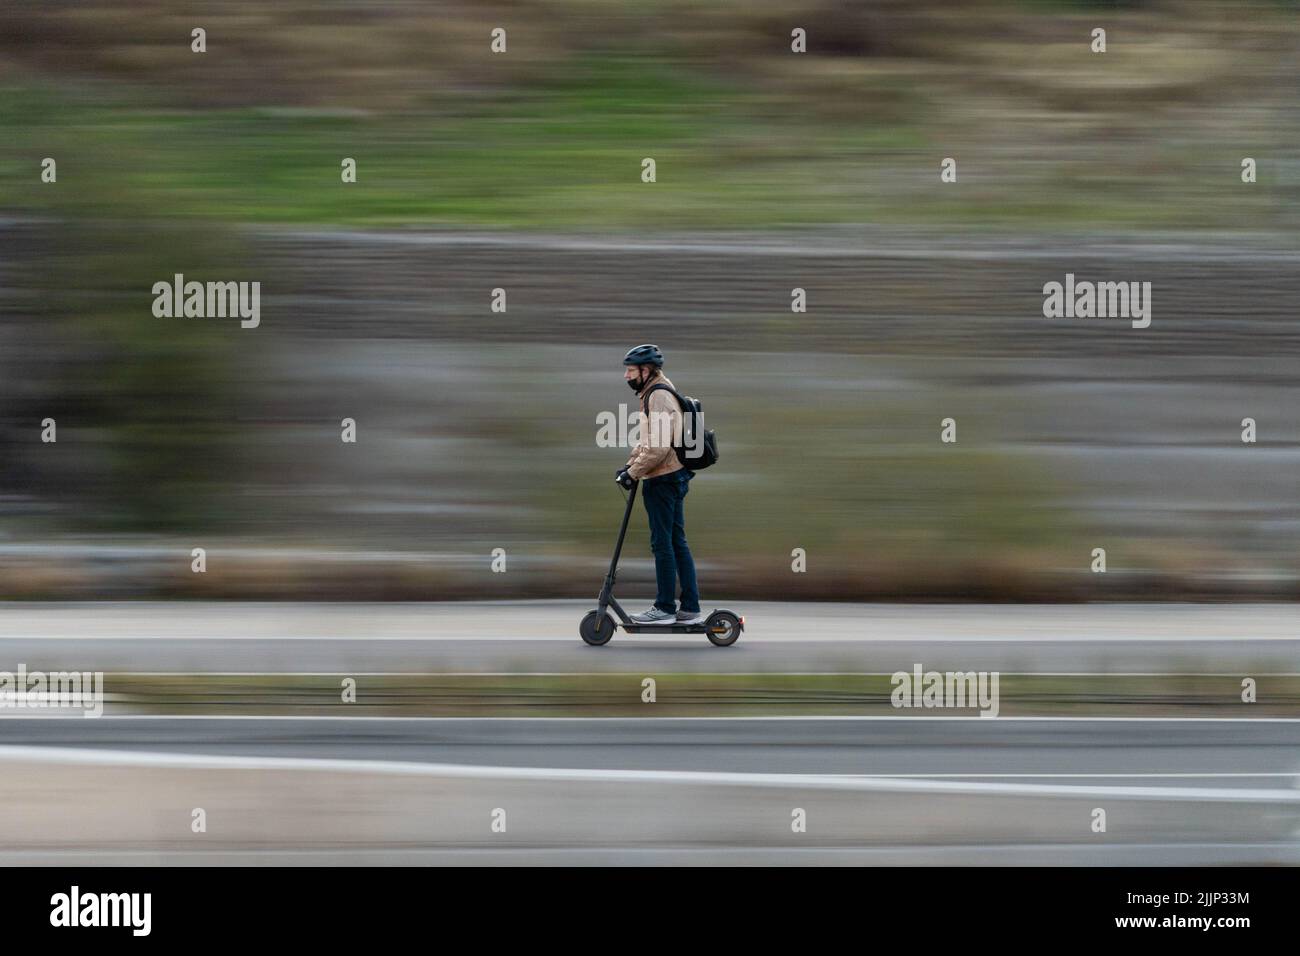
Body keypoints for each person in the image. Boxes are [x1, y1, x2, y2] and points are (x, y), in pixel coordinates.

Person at [614, 344, 702, 624]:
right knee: (677, 542)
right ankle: (689, 608)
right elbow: (648, 440)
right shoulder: (655, 391)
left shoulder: (658, 396)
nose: (626, 376)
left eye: (630, 370)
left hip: (663, 478)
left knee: (662, 544)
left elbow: (658, 447)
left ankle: (664, 607)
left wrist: (634, 473)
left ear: (646, 370)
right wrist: (630, 465)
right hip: (669, 474)